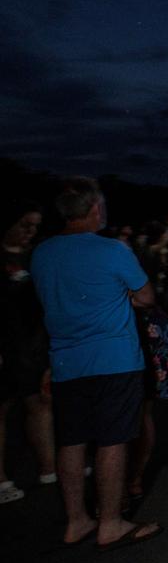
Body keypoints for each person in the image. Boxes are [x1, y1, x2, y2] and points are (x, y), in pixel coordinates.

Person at [30, 177, 162, 549]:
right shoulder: (113, 249)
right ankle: (110, 523)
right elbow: (147, 297)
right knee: (112, 440)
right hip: (114, 359)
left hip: (66, 362)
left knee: (70, 442)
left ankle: (76, 521)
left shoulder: (42, 253)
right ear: (94, 210)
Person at [0, 201, 57, 503]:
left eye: (34, 226)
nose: (29, 232)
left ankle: (48, 468)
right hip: (5, 344)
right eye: (25, 225)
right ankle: (2, 480)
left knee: (40, 402)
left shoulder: (34, 255)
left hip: (31, 343)